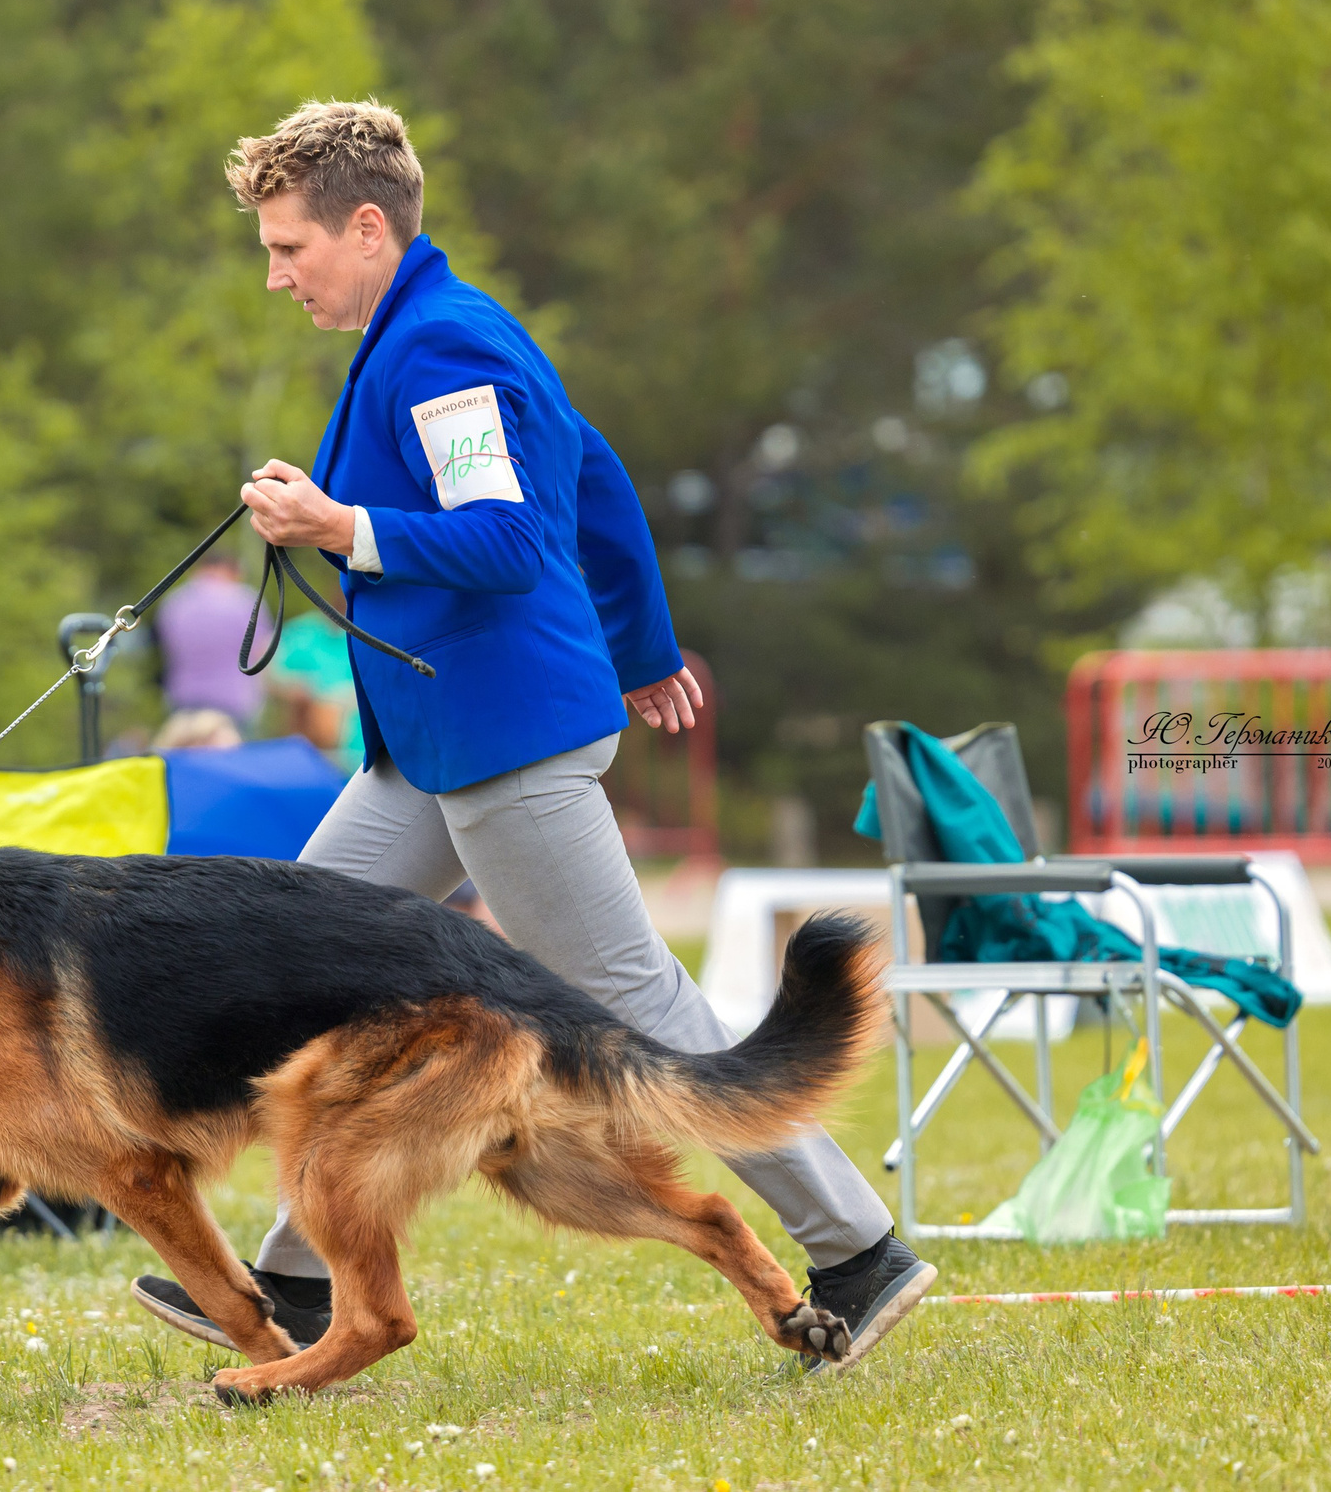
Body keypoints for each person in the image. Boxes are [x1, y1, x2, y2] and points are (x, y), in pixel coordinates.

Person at [129, 101, 934, 1372]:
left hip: (501, 741)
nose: (276, 274)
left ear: (367, 226)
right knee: (292, 960)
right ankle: (287, 1282)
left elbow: (508, 538)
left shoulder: (445, 344)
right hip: (431, 743)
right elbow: (593, 469)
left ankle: (859, 1250)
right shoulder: (412, 333)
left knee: (630, 1000)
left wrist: (340, 528)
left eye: (289, 248)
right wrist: (646, 641)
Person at [152, 554, 265, 731]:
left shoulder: (174, 601)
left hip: (184, 698)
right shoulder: (245, 600)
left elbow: (165, 647)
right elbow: (261, 651)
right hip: (234, 700)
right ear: (232, 570)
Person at [261, 610, 364, 772]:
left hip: (353, 750)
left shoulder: (369, 635)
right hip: (309, 738)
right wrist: (297, 689)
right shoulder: (303, 632)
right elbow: (268, 667)